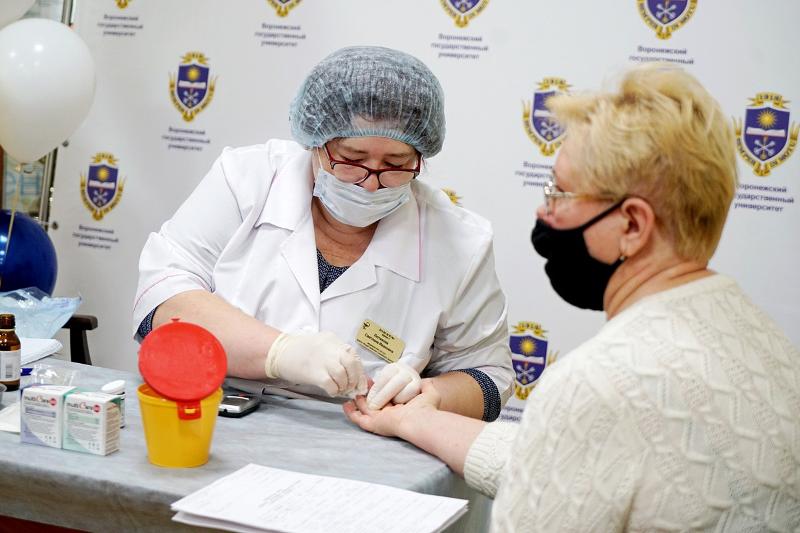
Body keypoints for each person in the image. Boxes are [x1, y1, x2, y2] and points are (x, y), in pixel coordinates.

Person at [344, 64, 800, 531]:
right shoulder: (767, 342)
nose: (545, 211)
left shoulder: (599, 383)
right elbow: (564, 467)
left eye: (560, 193)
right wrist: (417, 419)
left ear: (632, 225)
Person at [132, 46, 514, 421]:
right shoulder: (246, 180)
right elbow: (160, 301)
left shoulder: (460, 242)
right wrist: (280, 352)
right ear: (315, 142)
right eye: (352, 160)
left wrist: (430, 395)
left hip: (360, 440)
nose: (370, 184)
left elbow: (490, 377)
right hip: (212, 415)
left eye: (396, 164)